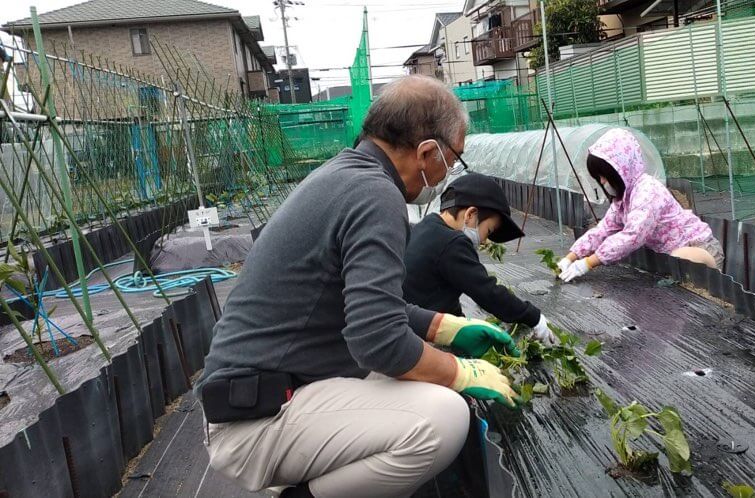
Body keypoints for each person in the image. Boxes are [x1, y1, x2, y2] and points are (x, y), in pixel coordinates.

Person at [196, 75, 521, 498]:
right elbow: (378, 340)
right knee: (443, 418)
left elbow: (369, 308)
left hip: (256, 397)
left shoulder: (347, 176)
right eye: (454, 157)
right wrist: (459, 371)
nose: (449, 171)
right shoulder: (375, 194)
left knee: (415, 380)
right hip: (257, 418)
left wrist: (446, 328)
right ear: (427, 152)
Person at [404, 173, 558, 346]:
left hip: (406, 319)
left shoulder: (428, 225)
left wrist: (462, 322)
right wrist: (533, 317)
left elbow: (445, 295)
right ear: (470, 215)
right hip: (415, 337)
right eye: (488, 231)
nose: (484, 240)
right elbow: (487, 292)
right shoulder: (453, 243)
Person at [557, 128, 724, 283]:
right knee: (674, 264)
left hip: (699, 249)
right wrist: (570, 258)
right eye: (598, 177)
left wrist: (588, 263)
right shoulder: (623, 199)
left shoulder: (647, 192)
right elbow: (602, 230)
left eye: (604, 175)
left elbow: (633, 235)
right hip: (672, 257)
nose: (602, 181)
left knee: (679, 258)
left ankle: (712, 277)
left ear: (620, 170)